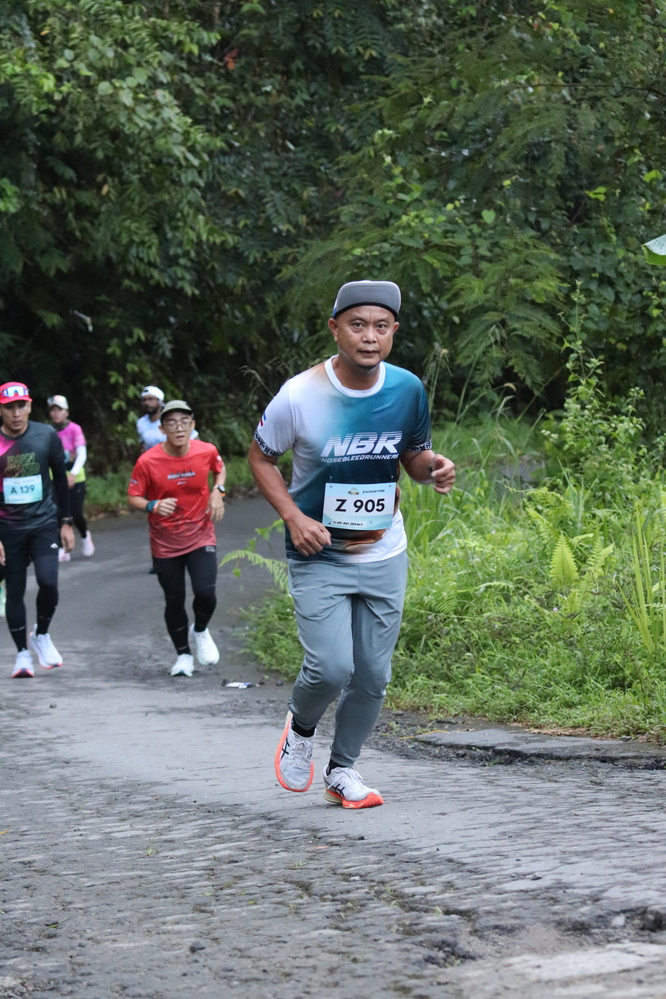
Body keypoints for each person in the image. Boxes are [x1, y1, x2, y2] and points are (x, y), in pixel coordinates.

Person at [249, 280, 456, 809]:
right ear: (335, 329)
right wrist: (293, 517)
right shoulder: (300, 394)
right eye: (358, 325)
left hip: (384, 551)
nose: (369, 337)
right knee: (331, 667)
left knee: (373, 675)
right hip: (318, 552)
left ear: (394, 332)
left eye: (381, 327)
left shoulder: (407, 389)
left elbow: (413, 458)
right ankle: (301, 729)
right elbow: (260, 458)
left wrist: (433, 467)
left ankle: (342, 770)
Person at [127, 399, 226, 677]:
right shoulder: (148, 461)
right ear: (162, 429)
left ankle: (201, 629)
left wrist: (218, 491)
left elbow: (220, 469)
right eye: (171, 423)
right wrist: (153, 505)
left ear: (193, 425)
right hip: (165, 542)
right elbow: (133, 496)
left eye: (184, 422)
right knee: (174, 599)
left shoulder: (206, 450)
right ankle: (183, 655)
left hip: (200, 534)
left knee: (205, 592)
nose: (178, 428)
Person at [0, 382, 75, 678]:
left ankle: (41, 634)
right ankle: (22, 654)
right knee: (15, 590)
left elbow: (61, 480)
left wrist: (66, 522)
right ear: (1, 410)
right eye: (9, 408)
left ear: (30, 406)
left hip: (43, 523)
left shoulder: (46, 435)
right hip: (8, 528)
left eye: (21, 406)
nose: (16, 413)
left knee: (48, 582)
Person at [48, 394, 94, 561]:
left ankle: (84, 535)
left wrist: (73, 474)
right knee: (57, 513)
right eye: (53, 410)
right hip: (55, 477)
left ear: (66, 412)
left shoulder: (75, 429)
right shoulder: (48, 431)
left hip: (75, 476)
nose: (56, 413)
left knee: (75, 512)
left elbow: (81, 454)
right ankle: (62, 547)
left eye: (59, 410)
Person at [136, 385, 167, 451]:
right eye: (144, 400)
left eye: (151, 399)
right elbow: (142, 445)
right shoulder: (141, 422)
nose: (146, 403)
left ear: (160, 401)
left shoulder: (169, 420)